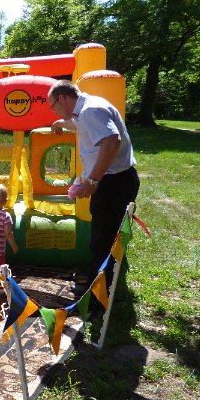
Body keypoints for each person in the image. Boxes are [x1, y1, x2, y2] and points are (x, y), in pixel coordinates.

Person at [48, 80, 139, 291]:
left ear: (62, 98)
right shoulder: (85, 110)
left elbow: (111, 140)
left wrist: (92, 180)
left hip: (113, 183)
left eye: (53, 106)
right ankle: (106, 286)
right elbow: (80, 125)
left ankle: (98, 296)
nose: (54, 110)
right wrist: (60, 124)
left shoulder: (90, 110)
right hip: (115, 181)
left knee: (102, 241)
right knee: (105, 238)